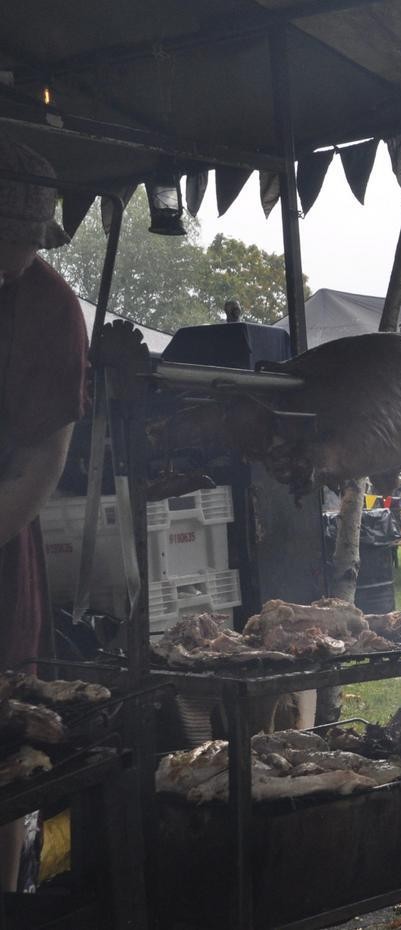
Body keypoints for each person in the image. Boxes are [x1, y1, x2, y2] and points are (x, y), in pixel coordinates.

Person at [0, 141, 87, 893]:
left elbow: (43, 464)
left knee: (4, 747)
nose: (13, 259)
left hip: (0, 548)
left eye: (25, 244)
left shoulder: (53, 310)